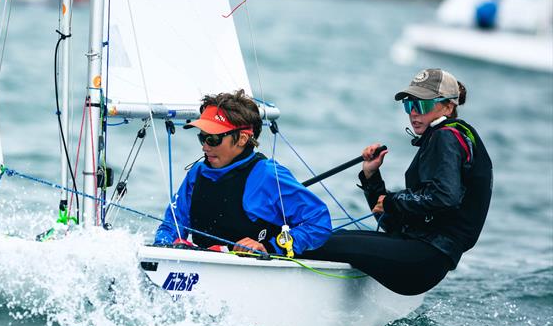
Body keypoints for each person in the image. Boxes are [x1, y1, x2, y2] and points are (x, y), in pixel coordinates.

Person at [302, 69, 493, 295]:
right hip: (421, 255)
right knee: (320, 237)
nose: (413, 113)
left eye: (422, 105)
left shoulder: (446, 137)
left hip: (424, 258)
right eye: (409, 105)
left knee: (310, 242)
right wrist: (372, 178)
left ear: (448, 106)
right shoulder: (453, 137)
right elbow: (390, 221)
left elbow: (444, 196)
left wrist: (393, 201)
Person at [154, 90, 331, 256]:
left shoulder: (268, 175)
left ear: (242, 139)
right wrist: (164, 245)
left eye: (213, 139)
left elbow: (318, 222)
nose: (205, 146)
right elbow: (172, 226)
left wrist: (270, 246)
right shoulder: (197, 173)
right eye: (202, 137)